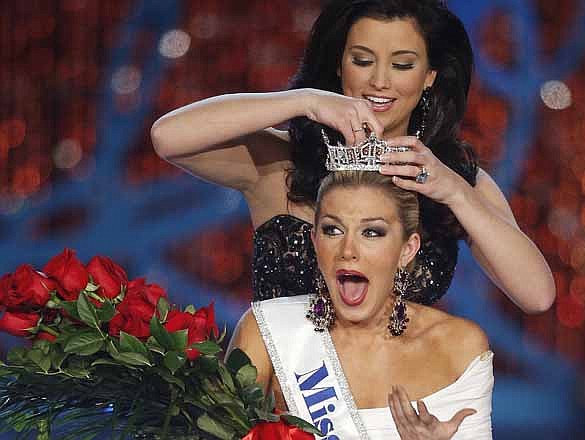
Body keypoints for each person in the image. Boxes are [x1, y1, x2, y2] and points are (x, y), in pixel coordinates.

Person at [151, 0, 555, 312]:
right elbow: (168, 136)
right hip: (279, 414)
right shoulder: (283, 164)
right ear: (339, 65)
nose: (379, 81)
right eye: (362, 61)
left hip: (390, 417)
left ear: (429, 75)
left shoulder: (451, 181)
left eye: (402, 64)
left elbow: (537, 295)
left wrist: (455, 192)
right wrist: (302, 101)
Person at [227, 170, 493, 439]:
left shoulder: (459, 348)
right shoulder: (267, 330)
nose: (347, 250)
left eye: (371, 232)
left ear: (407, 249)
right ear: (315, 242)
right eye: (332, 230)